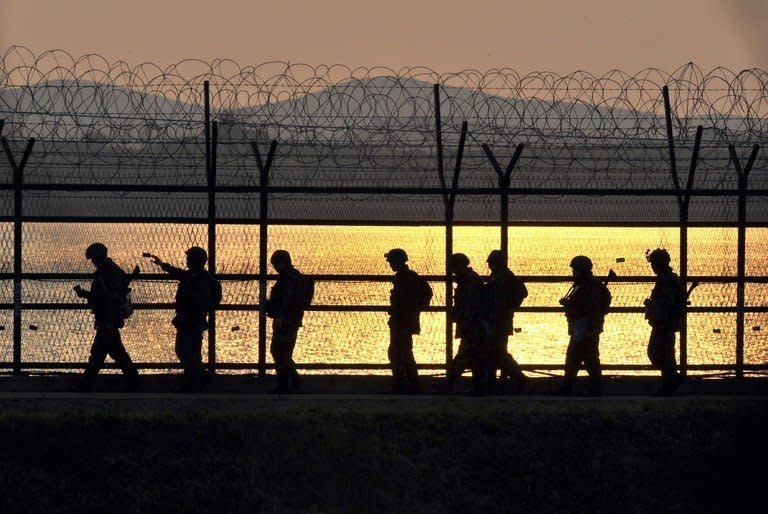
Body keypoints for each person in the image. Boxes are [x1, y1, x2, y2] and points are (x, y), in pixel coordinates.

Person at [148, 247, 221, 392]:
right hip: (192, 321)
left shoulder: (198, 279)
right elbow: (178, 273)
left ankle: (197, 380)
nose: (186, 260)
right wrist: (161, 264)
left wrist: (186, 315)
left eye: (189, 258)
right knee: (190, 352)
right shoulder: (197, 276)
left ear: (195, 261)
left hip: (191, 321)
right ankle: (197, 379)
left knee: (185, 351)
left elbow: (195, 302)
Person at [73, 242, 140, 392]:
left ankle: (85, 386)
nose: (92, 262)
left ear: (98, 258)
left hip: (107, 319)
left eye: (93, 259)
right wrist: (85, 294)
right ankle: (135, 382)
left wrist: (109, 321)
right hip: (107, 319)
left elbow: (111, 300)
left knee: (99, 354)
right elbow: (104, 297)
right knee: (114, 353)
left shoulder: (109, 274)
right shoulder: (109, 272)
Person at [557, 255, 611, 396]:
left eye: (575, 269)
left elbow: (590, 308)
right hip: (581, 327)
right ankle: (575, 387)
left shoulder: (589, 287)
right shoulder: (586, 285)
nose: (573, 272)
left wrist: (590, 326)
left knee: (585, 358)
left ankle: (583, 388)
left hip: (586, 327)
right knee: (581, 358)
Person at [265, 250, 312, 393]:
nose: (275, 268)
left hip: (286, 320)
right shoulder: (294, 277)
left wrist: (279, 316)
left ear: (282, 263)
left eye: (276, 264)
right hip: (293, 319)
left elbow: (286, 300)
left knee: (279, 351)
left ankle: (289, 382)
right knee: (283, 352)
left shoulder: (288, 279)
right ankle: (291, 381)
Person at [384, 248, 429, 394]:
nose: (389, 264)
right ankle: (410, 384)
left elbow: (403, 301)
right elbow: (426, 293)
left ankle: (404, 384)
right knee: (403, 352)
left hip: (402, 321)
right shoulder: (410, 276)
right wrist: (417, 309)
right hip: (405, 321)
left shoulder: (404, 278)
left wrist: (404, 310)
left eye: (391, 261)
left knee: (399, 353)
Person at [644, 248, 686, 395]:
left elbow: (668, 301)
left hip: (664, 323)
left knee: (657, 354)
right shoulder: (667, 277)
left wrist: (651, 304)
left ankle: (671, 380)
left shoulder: (666, 279)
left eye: (653, 263)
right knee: (665, 354)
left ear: (657, 263)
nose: (652, 267)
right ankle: (669, 383)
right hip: (664, 322)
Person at [445, 253, 489, 395]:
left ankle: (449, 383)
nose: (452, 271)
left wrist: (463, 320)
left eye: (453, 267)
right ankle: (477, 387)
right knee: (472, 357)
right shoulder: (469, 280)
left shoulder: (469, 282)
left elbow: (470, 306)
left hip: (472, 326)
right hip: (473, 326)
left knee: (465, 356)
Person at [485, 250, 528, 393]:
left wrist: (507, 308)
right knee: (495, 352)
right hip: (498, 320)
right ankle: (494, 382)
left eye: (491, 262)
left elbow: (521, 292)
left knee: (498, 353)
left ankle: (519, 378)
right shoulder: (502, 277)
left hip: (498, 321)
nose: (489, 265)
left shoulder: (504, 278)